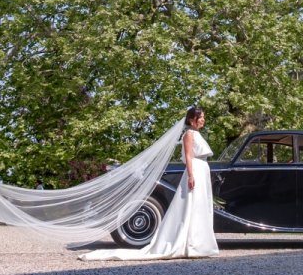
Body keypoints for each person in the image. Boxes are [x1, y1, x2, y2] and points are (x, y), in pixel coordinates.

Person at [79, 106, 219, 260]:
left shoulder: (197, 134)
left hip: (202, 169)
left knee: (200, 206)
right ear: (192, 119)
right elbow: (188, 156)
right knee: (192, 205)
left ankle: (200, 242)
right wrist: (191, 176)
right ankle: (191, 244)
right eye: (201, 118)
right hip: (195, 170)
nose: (203, 120)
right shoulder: (189, 134)